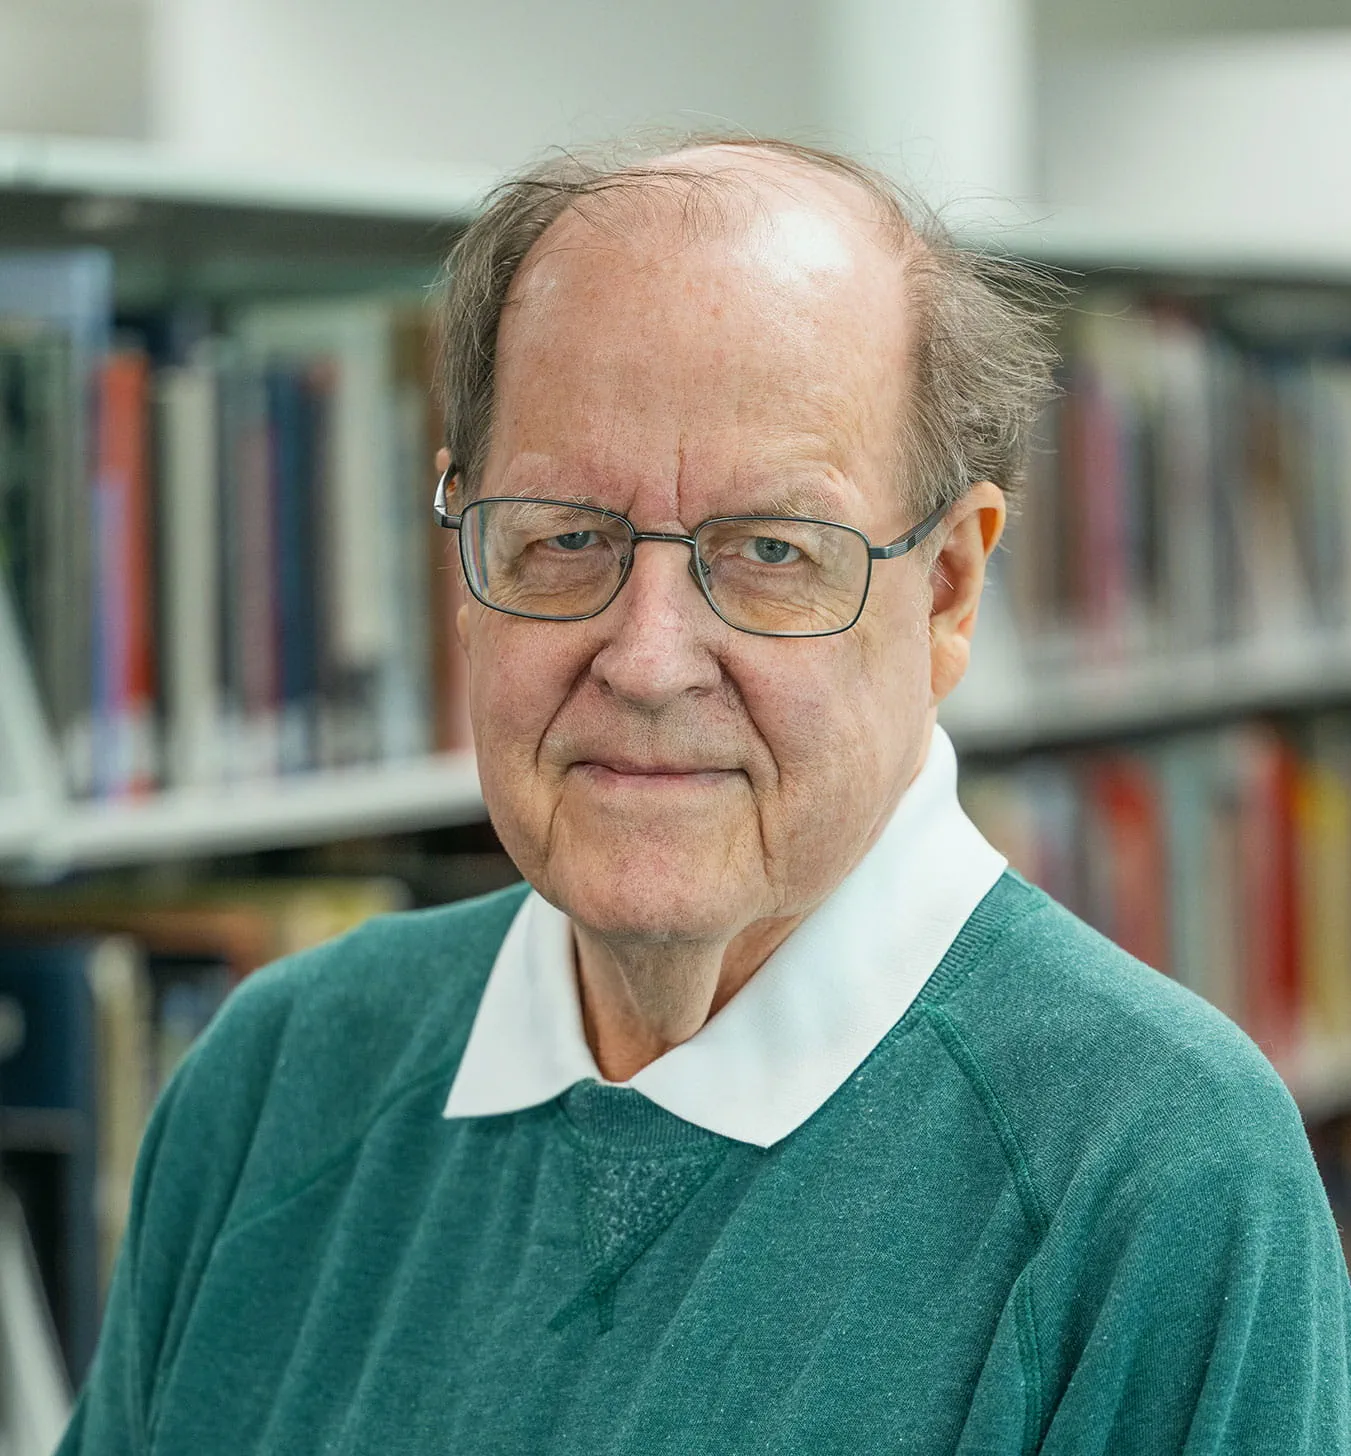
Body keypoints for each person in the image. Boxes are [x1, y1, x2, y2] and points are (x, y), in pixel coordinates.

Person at [60, 137, 1350, 1455]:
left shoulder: (1153, 1173)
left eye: (772, 551)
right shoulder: (280, 1076)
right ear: (458, 549)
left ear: (949, 587)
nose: (648, 656)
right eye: (564, 536)